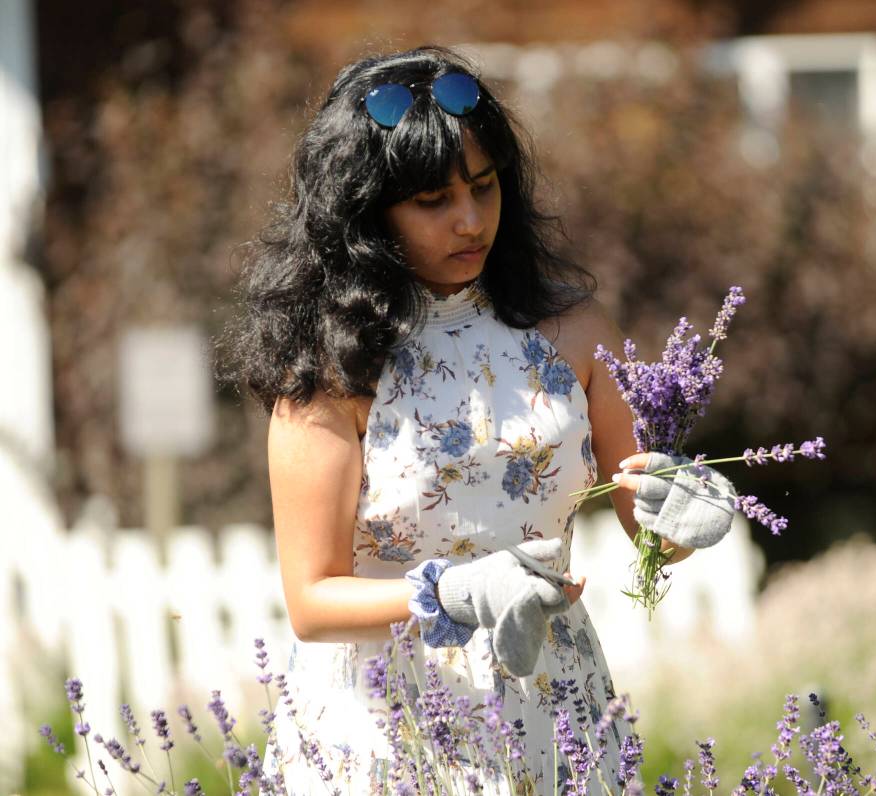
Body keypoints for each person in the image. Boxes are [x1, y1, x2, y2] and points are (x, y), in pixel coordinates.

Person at [218, 43, 735, 795]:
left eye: (485, 187)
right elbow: (312, 601)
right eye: (433, 201)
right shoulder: (328, 369)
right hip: (385, 727)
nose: (469, 220)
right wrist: (455, 592)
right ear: (365, 213)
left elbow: (641, 516)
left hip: (554, 705)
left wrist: (679, 509)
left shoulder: (575, 329)